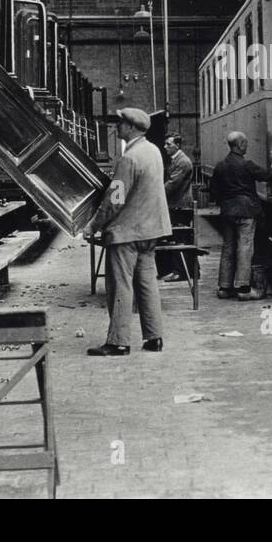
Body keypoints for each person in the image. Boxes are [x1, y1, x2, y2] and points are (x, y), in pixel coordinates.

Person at [84, 107, 172, 356]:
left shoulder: (129, 158)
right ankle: (154, 338)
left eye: (121, 123)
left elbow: (115, 199)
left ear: (132, 128)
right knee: (147, 283)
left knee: (121, 286)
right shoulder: (153, 151)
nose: (118, 126)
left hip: (128, 233)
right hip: (150, 231)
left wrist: (93, 225)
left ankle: (118, 342)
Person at [209, 131, 272, 301]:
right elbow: (267, 176)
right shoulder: (247, 164)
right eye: (246, 143)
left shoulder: (220, 166)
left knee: (228, 248)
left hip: (227, 212)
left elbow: (213, 192)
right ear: (240, 145)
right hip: (246, 211)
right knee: (245, 247)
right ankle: (243, 288)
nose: (247, 146)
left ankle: (224, 288)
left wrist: (226, 203)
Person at [160, 133, 195, 283]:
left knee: (180, 239)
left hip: (180, 206)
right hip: (176, 205)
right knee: (179, 238)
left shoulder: (183, 162)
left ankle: (180, 272)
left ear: (177, 145)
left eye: (168, 144)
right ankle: (189, 271)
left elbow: (172, 184)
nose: (165, 147)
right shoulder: (176, 160)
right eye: (165, 144)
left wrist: (155, 195)